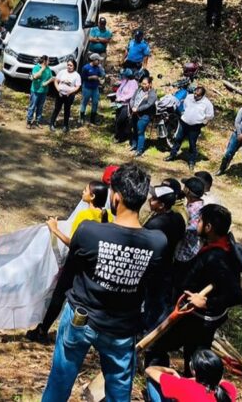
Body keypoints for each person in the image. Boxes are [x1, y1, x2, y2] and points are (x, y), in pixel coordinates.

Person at [40, 164, 167, 402]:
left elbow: (68, 276)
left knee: (59, 384)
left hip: (80, 318)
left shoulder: (90, 232)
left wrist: (47, 319)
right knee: (119, 394)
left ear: (116, 197)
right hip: (122, 327)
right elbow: (153, 288)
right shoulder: (157, 242)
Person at [146, 204, 242, 376]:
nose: (197, 223)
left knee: (159, 347)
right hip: (194, 316)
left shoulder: (218, 257)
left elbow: (238, 295)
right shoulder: (220, 245)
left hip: (199, 320)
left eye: (200, 221)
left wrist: (207, 302)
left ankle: (162, 385)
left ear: (208, 227)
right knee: (193, 358)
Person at [26, 181, 113, 343]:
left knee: (59, 294)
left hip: (76, 262)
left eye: (86, 190)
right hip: (95, 265)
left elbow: (73, 242)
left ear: (92, 196)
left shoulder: (84, 216)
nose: (83, 191)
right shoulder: (109, 216)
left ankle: (42, 330)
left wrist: (54, 229)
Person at [142, 185, 186, 331]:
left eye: (154, 199)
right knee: (157, 300)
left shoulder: (155, 224)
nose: (150, 200)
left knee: (152, 300)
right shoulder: (177, 218)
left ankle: (149, 329)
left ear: (161, 205)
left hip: (154, 269)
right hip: (168, 266)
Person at [145, 349, 237, 402]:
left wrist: (170, 370)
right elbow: (218, 379)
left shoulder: (185, 386)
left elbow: (149, 370)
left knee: (151, 381)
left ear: (194, 371)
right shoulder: (228, 389)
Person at [165, 86, 215, 171]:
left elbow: (210, 115)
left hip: (195, 126)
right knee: (178, 139)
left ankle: (191, 161)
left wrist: (203, 122)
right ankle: (172, 155)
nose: (195, 96)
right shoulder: (189, 97)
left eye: (197, 95)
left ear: (202, 96)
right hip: (184, 123)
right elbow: (184, 106)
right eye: (195, 93)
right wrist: (183, 114)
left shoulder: (207, 103)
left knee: (192, 144)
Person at [49, 60, 82, 133]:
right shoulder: (62, 72)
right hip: (60, 93)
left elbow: (77, 86)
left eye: (71, 65)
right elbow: (56, 81)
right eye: (68, 65)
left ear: (74, 66)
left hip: (69, 95)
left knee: (67, 110)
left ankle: (65, 126)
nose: (69, 67)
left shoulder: (77, 75)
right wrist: (58, 89)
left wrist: (71, 91)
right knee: (57, 108)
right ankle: (51, 123)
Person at [130, 76, 158, 157]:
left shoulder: (152, 94)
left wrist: (137, 109)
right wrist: (132, 107)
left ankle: (139, 150)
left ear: (150, 84)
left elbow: (148, 105)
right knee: (135, 129)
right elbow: (132, 99)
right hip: (134, 113)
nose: (143, 85)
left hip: (144, 115)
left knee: (140, 131)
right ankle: (134, 145)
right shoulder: (138, 90)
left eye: (145, 84)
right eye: (142, 83)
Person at [26, 56, 54, 129]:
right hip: (35, 91)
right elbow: (34, 77)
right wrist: (42, 69)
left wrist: (48, 81)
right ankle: (29, 121)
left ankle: (38, 121)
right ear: (44, 61)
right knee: (32, 106)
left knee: (40, 106)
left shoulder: (48, 69)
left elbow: (51, 77)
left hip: (44, 91)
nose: (49, 62)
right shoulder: (36, 67)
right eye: (48, 60)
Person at [79, 53, 106, 125]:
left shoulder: (98, 67)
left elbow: (103, 76)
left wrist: (101, 69)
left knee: (95, 103)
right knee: (84, 102)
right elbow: (82, 77)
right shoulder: (86, 67)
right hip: (87, 87)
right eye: (98, 60)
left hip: (95, 88)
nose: (99, 62)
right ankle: (81, 117)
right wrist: (90, 77)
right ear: (94, 60)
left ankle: (92, 119)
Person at [114, 69, 138, 142]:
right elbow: (119, 90)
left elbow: (131, 94)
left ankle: (122, 136)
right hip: (119, 103)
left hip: (126, 104)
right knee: (117, 119)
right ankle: (117, 135)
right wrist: (118, 97)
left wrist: (122, 98)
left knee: (121, 120)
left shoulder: (134, 83)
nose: (123, 77)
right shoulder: (124, 81)